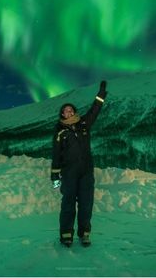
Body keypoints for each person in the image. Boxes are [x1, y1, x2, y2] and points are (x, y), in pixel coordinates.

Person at [51, 81, 107, 247]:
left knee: (86, 204)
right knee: (68, 204)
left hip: (86, 172)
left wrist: (101, 94)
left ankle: (85, 234)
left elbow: (95, 111)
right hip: (69, 172)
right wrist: (55, 174)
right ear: (62, 114)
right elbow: (56, 154)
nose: (68, 112)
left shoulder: (84, 124)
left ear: (74, 112)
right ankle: (66, 234)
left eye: (70, 110)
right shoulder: (60, 131)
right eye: (65, 111)